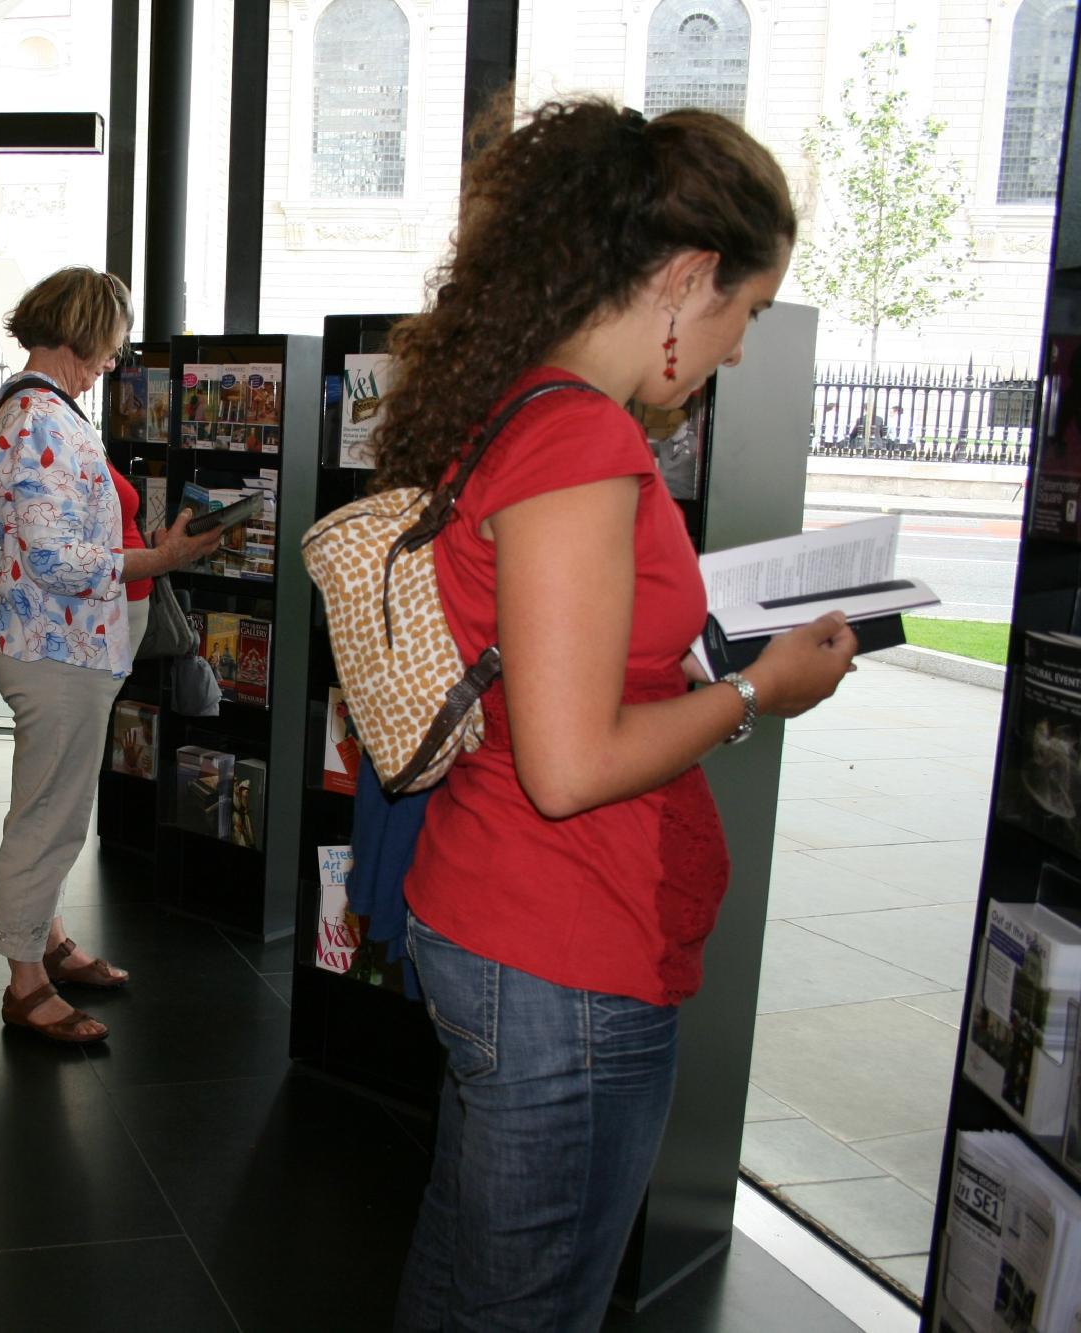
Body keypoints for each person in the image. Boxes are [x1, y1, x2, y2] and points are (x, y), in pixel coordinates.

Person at [371, 100, 860, 1331]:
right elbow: (571, 764)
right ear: (686, 276)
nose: (738, 345)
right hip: (562, 948)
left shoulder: (521, 407)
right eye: (741, 310)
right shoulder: (579, 441)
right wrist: (755, 690)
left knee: (465, 1279)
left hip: (503, 922)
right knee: (526, 1307)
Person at [0, 267, 222, 1044]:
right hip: (56, 649)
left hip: (63, 643)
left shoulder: (44, 411)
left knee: (55, 807)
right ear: (83, 331)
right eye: (110, 343)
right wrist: (161, 560)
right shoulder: (42, 418)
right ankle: (25, 983)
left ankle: (45, 940)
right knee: (47, 817)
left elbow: (31, 535)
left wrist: (143, 553)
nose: (113, 359)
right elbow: (56, 560)